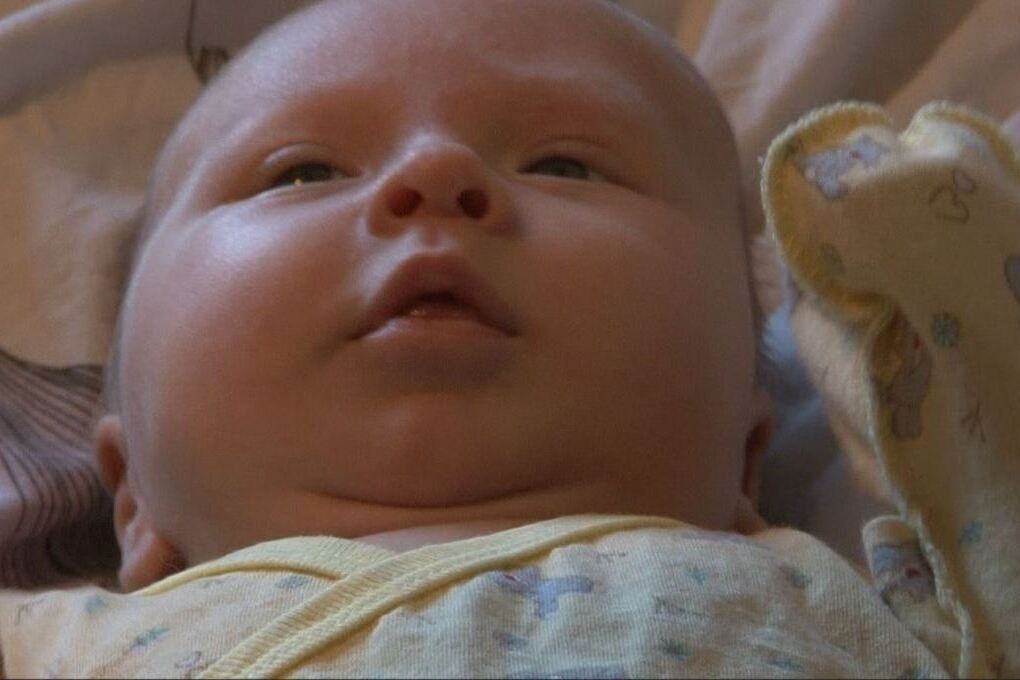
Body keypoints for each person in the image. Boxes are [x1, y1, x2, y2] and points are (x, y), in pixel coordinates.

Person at [0, 1, 996, 676]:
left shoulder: (877, 599)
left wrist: (935, 244)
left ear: (745, 453)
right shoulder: (50, 643)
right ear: (132, 498)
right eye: (303, 172)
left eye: (568, 165)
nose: (436, 170)